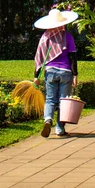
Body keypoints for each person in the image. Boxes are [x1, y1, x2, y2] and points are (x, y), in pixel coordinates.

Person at [33, 8, 79, 138]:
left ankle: (48, 119)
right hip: (65, 72)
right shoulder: (68, 37)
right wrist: (75, 74)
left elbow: (39, 57)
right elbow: (72, 57)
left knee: (50, 99)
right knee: (63, 101)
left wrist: (36, 76)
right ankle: (59, 129)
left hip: (50, 72)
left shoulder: (45, 38)